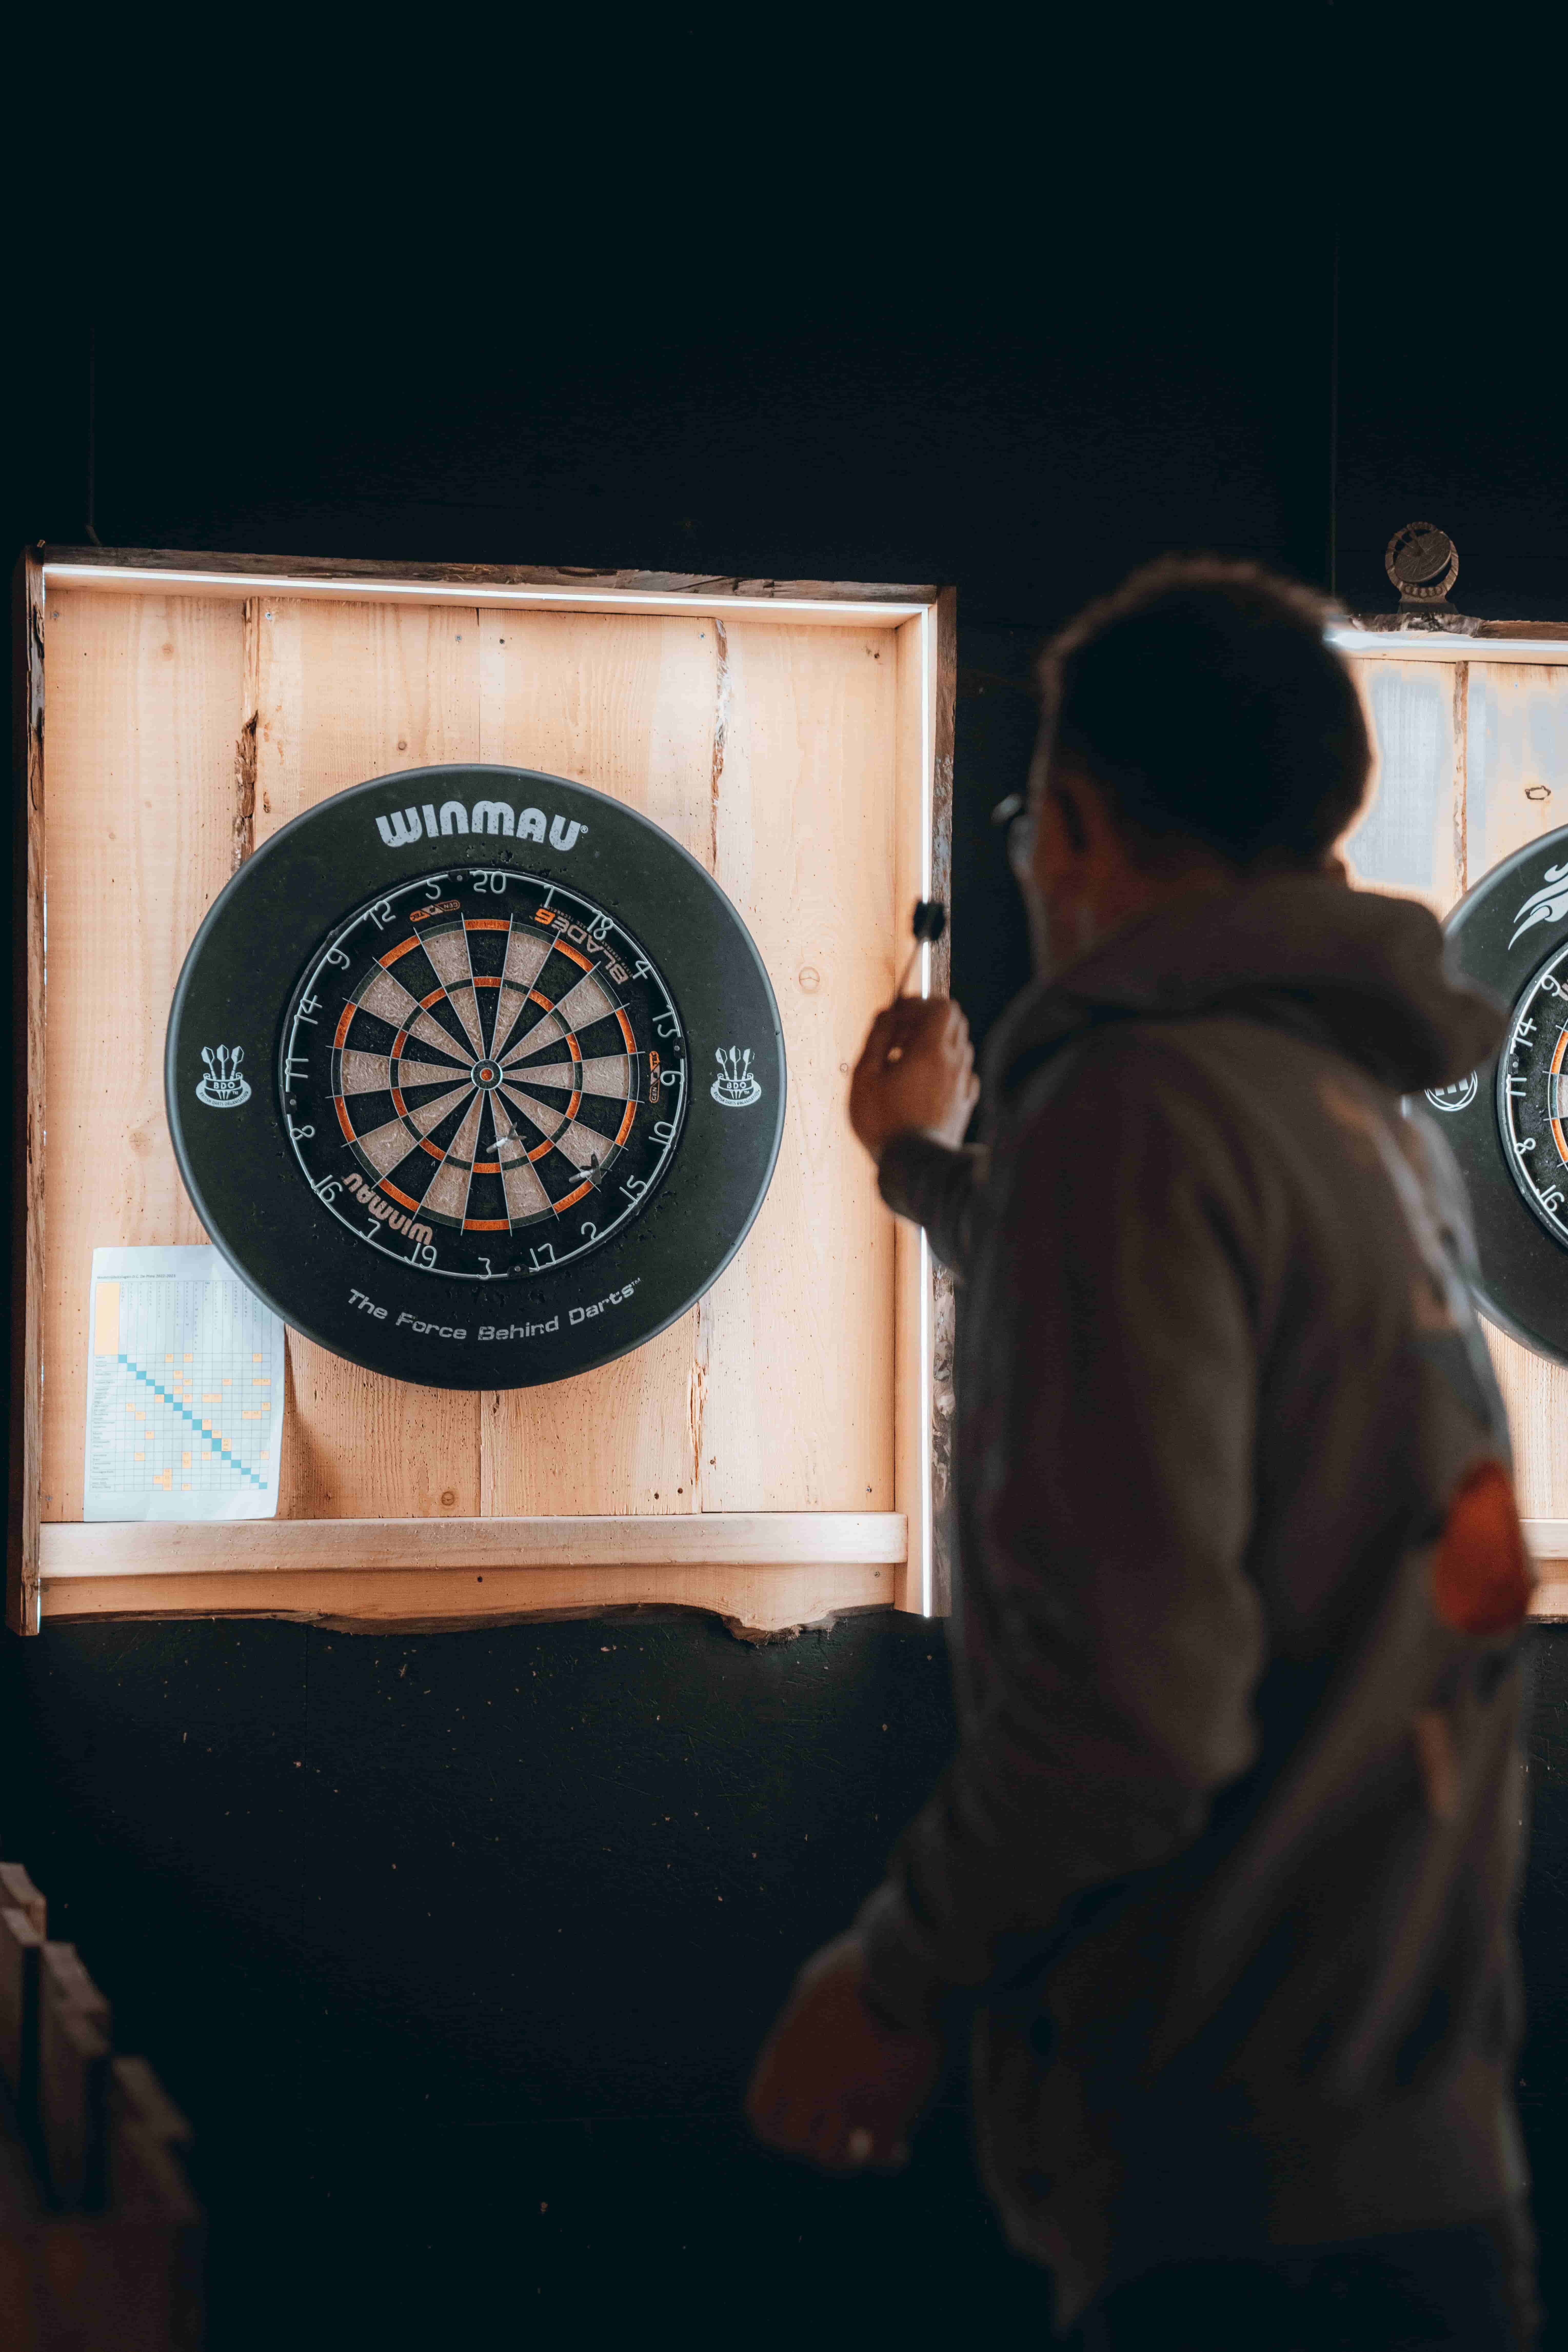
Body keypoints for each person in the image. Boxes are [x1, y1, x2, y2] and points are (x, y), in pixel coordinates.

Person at [746, 558, 1540, 2349]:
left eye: (1038, 817)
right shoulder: (1355, 1113)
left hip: (1231, 2175)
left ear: (1080, 822)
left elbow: (1131, 1712)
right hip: (1411, 2137)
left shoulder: (1130, 1110)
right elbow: (1144, 1316)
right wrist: (924, 1171)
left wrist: (893, 1971)